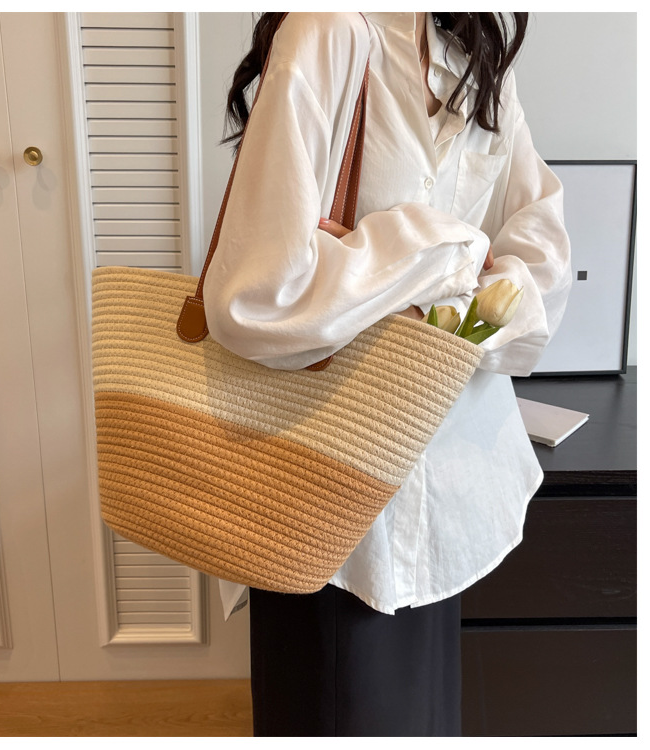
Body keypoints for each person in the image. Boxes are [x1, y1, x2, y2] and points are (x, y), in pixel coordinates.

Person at [203, 12, 572, 737]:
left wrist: (467, 304)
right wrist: (446, 253)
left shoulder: (473, 54)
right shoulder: (329, 30)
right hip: (327, 499)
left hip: (448, 490)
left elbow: (541, 244)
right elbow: (253, 295)